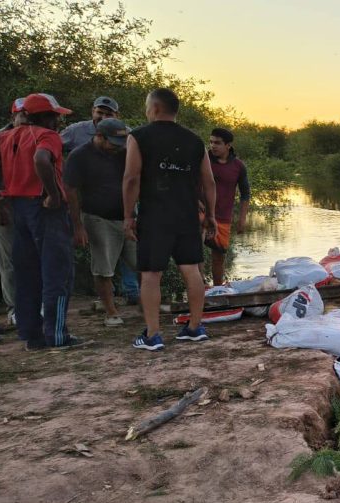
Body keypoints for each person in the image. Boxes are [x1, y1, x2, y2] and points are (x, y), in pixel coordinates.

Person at [123, 88, 217, 350]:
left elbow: (131, 179)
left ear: (154, 108)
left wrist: (128, 215)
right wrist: (209, 214)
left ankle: (152, 335)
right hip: (187, 215)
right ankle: (195, 327)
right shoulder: (195, 140)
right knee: (192, 269)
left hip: (155, 215)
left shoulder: (139, 136)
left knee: (151, 273)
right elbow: (208, 182)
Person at [0, 93, 90, 349]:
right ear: (44, 117)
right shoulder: (46, 136)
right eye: (55, 116)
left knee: (26, 273)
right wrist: (51, 192)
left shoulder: (4, 137)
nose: (58, 121)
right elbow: (41, 159)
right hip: (45, 208)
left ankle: (32, 336)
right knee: (57, 272)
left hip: (18, 207)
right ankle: (58, 336)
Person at [64, 118, 135, 326]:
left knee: (143, 262)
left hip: (126, 216)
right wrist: (78, 226)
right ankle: (111, 312)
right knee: (103, 268)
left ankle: (147, 303)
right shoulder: (79, 156)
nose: (117, 147)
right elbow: (71, 191)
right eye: (113, 142)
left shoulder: (123, 152)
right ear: (99, 137)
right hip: (97, 217)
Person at [0, 99, 28, 329]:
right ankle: (14, 309)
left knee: (33, 258)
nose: (26, 119)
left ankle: (33, 305)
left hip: (32, 207)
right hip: (5, 207)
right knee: (9, 260)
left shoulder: (38, 136)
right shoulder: (0, 138)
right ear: (13, 117)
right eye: (22, 115)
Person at [206, 127, 250, 286]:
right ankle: (198, 288)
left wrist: (242, 219)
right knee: (194, 253)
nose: (213, 146)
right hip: (200, 212)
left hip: (223, 216)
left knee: (219, 256)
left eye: (217, 143)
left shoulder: (238, 166)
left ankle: (217, 290)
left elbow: (245, 194)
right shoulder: (203, 160)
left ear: (228, 145)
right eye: (211, 142)